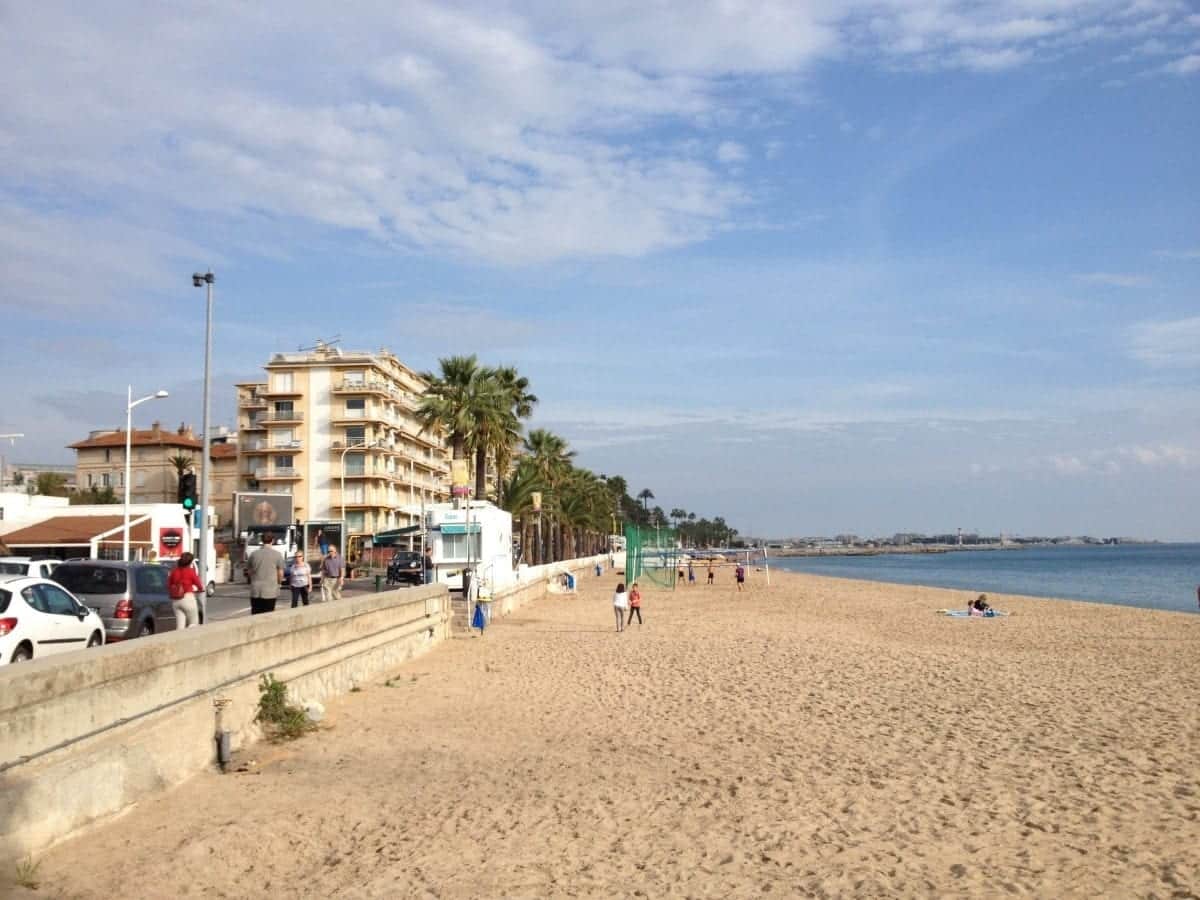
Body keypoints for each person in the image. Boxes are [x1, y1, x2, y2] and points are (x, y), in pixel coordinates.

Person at [246, 532, 285, 615]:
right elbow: (280, 573)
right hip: (270, 591)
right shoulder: (277, 555)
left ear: (262, 540)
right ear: (273, 541)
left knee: (255, 614)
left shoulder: (254, 554)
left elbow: (249, 571)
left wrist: (253, 577)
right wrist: (279, 583)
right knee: (268, 615)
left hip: (255, 590)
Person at [167, 552, 204, 628]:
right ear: (190, 562)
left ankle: (178, 639)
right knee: (193, 623)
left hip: (176, 601)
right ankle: (192, 639)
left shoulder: (174, 571)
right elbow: (198, 584)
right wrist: (201, 589)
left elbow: (168, 584)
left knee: (180, 626)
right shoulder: (190, 571)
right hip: (188, 599)